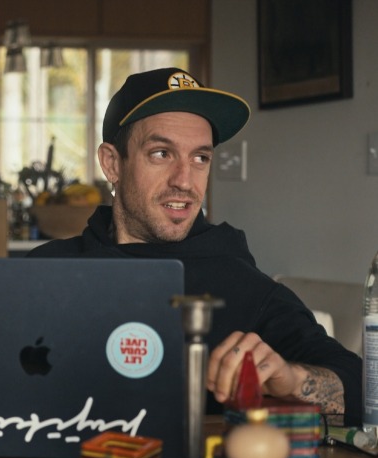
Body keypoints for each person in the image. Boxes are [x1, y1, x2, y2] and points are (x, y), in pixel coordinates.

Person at [28, 67, 362, 426]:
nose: (185, 181)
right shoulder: (43, 270)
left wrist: (293, 380)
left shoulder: (243, 285)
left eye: (200, 157)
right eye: (161, 153)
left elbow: (362, 387)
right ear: (112, 163)